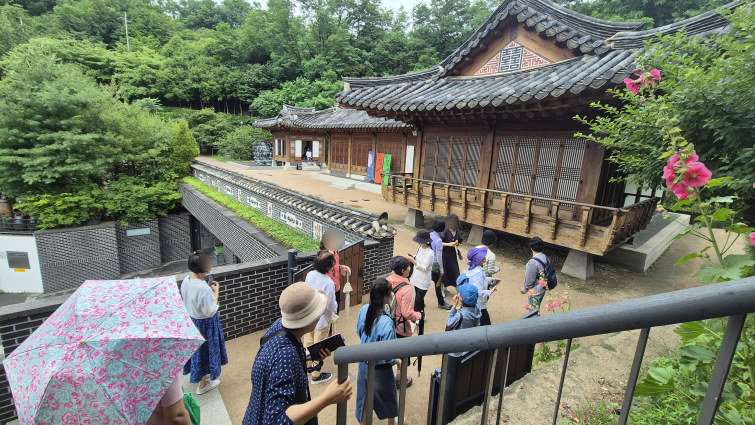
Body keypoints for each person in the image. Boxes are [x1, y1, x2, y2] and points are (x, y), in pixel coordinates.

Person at [243, 282, 353, 425]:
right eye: (318, 312)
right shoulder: (285, 355)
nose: (320, 315)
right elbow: (277, 420)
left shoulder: (279, 326)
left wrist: (307, 357)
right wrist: (327, 398)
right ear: (307, 322)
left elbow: (275, 366)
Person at [181, 250, 228, 395]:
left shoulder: (186, 280)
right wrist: (216, 292)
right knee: (206, 352)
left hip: (192, 321)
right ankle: (202, 385)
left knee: (198, 352)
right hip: (205, 325)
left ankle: (202, 377)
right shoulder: (203, 288)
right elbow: (210, 311)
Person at [355, 279, 400, 424]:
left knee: (364, 397)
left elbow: (359, 331)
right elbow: (389, 354)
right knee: (389, 399)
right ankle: (391, 422)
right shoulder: (386, 322)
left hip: (363, 364)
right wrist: (396, 361)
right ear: (385, 297)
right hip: (380, 369)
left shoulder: (364, 310)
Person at [303, 250, 339, 385]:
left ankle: (307, 367)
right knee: (319, 346)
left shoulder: (310, 274)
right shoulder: (328, 282)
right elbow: (330, 304)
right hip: (322, 319)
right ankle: (316, 375)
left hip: (309, 316)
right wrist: (335, 310)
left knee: (308, 342)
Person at [386, 256, 422, 387]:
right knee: (402, 355)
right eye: (408, 268)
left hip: (388, 322)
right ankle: (400, 380)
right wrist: (419, 315)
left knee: (390, 352)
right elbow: (407, 313)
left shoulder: (388, 280)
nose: (410, 269)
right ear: (402, 271)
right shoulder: (406, 288)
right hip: (401, 326)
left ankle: (390, 377)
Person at [446, 283, 482, 357]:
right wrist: (460, 308)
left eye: (460, 293)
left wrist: (454, 307)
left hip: (458, 344)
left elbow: (448, 326)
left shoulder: (460, 316)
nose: (458, 293)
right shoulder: (478, 307)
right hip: (470, 341)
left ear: (462, 299)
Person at [466, 247, 498, 326]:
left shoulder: (473, 269)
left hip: (475, 302)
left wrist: (490, 279)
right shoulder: (478, 272)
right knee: (486, 325)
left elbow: (480, 280)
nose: (484, 257)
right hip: (479, 304)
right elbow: (479, 292)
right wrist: (490, 291)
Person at [320, 228, 351, 311]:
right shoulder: (323, 255)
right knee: (327, 311)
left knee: (336, 310)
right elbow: (322, 270)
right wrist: (329, 255)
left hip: (336, 286)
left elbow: (336, 266)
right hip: (327, 288)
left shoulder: (336, 252)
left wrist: (342, 268)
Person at [406, 229, 435, 315]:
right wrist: (412, 257)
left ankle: (416, 316)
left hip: (424, 279)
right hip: (417, 277)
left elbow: (424, 268)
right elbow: (418, 257)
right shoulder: (420, 248)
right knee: (419, 299)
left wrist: (412, 261)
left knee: (418, 299)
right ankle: (422, 314)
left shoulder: (430, 253)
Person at [430, 219, 453, 309]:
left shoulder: (430, 235)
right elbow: (439, 256)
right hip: (435, 265)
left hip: (428, 262)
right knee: (438, 285)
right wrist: (442, 269)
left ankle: (420, 301)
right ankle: (441, 303)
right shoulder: (439, 240)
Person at [521, 236, 548, 310]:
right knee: (537, 308)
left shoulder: (532, 262)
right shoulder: (545, 257)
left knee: (533, 311)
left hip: (535, 290)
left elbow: (530, 278)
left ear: (531, 248)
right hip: (543, 286)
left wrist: (525, 289)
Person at [441, 214, 463, 292]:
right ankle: (441, 288)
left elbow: (460, 241)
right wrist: (449, 244)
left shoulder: (457, 231)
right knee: (444, 272)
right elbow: (439, 243)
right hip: (444, 254)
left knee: (454, 271)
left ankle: (458, 290)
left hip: (452, 255)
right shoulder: (445, 231)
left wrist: (457, 243)